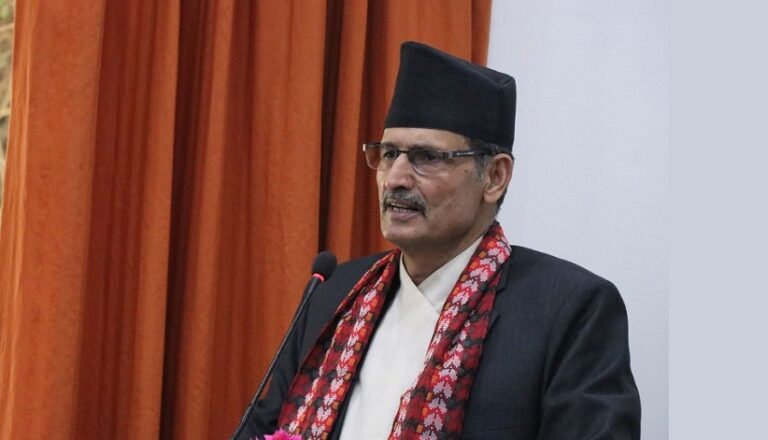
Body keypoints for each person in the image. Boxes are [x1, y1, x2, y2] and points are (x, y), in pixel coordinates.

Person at [234, 41, 641, 440]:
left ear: (495, 177)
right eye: (388, 154)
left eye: (426, 157)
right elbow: (265, 427)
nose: (395, 179)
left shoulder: (567, 311)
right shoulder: (335, 294)